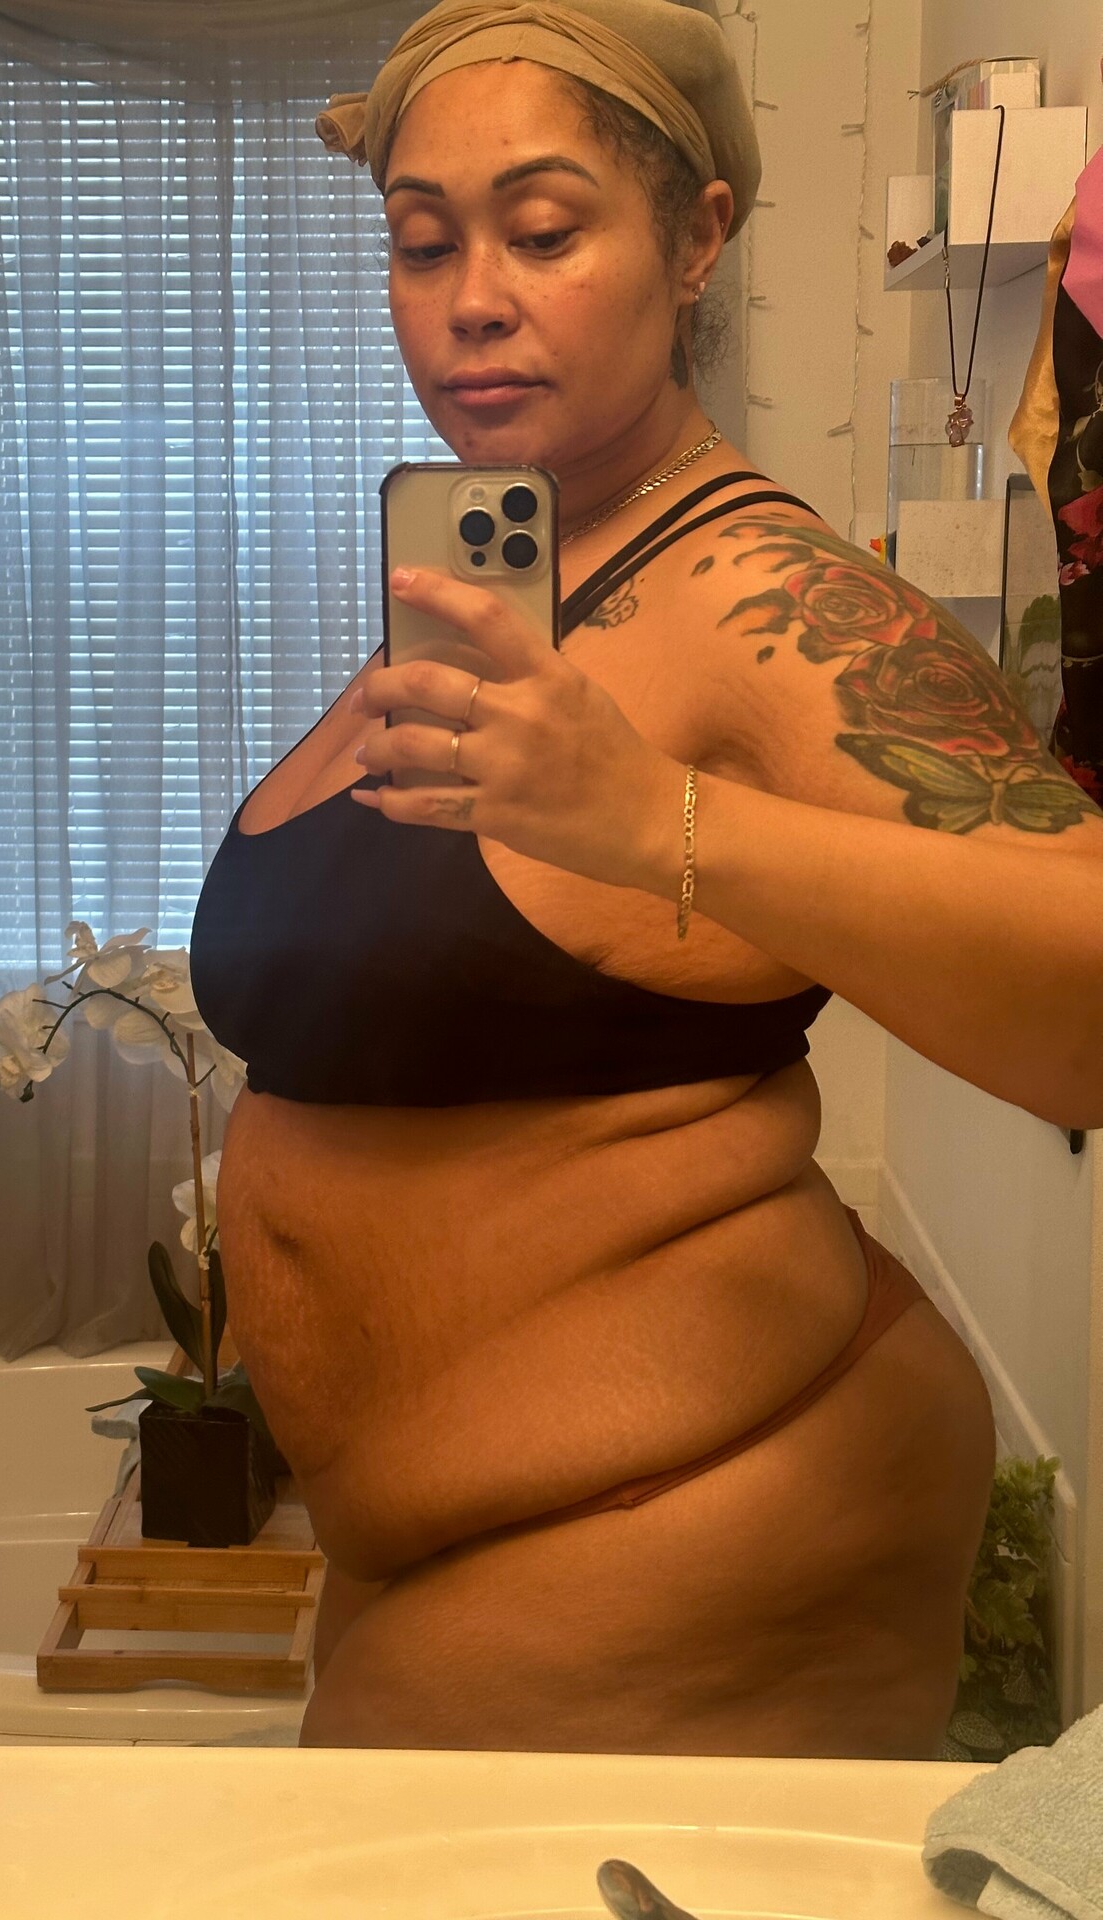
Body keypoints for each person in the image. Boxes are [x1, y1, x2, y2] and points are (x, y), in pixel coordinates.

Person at [189, 0, 1103, 1758]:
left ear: (696, 243)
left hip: (688, 1517)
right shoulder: (506, 579)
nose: (472, 299)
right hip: (441, 1541)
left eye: (543, 232)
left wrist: (656, 818)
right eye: (422, 244)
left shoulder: (765, 597)